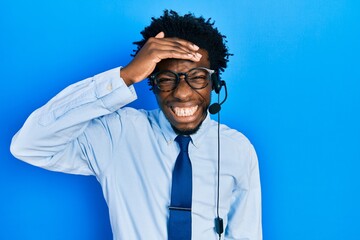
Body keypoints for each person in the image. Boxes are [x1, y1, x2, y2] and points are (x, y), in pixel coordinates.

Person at [10, 10, 262, 239]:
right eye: (166, 79)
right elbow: (29, 145)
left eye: (197, 78)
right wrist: (126, 76)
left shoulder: (237, 149)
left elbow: (246, 234)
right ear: (152, 84)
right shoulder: (117, 134)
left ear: (215, 85)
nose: (182, 93)